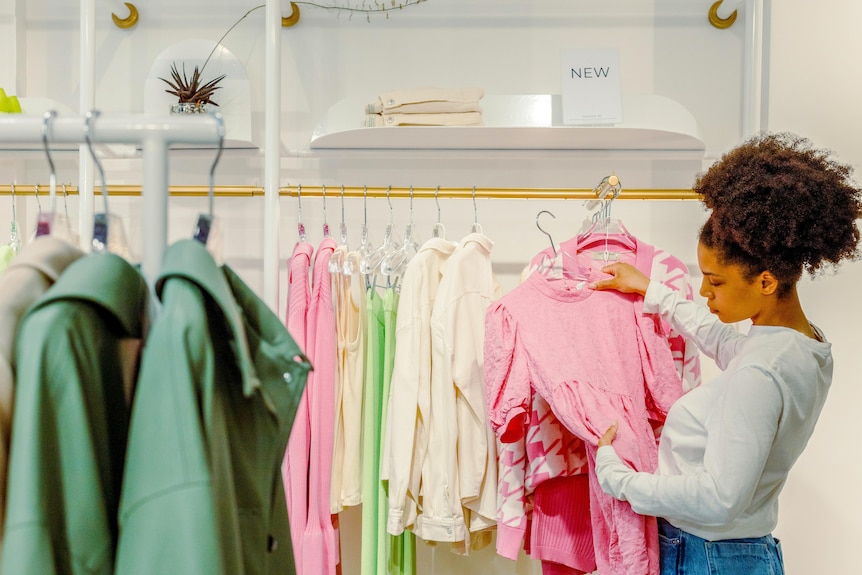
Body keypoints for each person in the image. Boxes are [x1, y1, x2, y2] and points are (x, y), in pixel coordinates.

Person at [589, 132, 862, 575]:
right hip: (734, 554)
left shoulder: (760, 372)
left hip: (709, 557)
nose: (702, 291)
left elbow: (719, 498)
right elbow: (722, 339)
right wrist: (651, 290)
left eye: (715, 282)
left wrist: (620, 481)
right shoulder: (803, 344)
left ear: (766, 282)